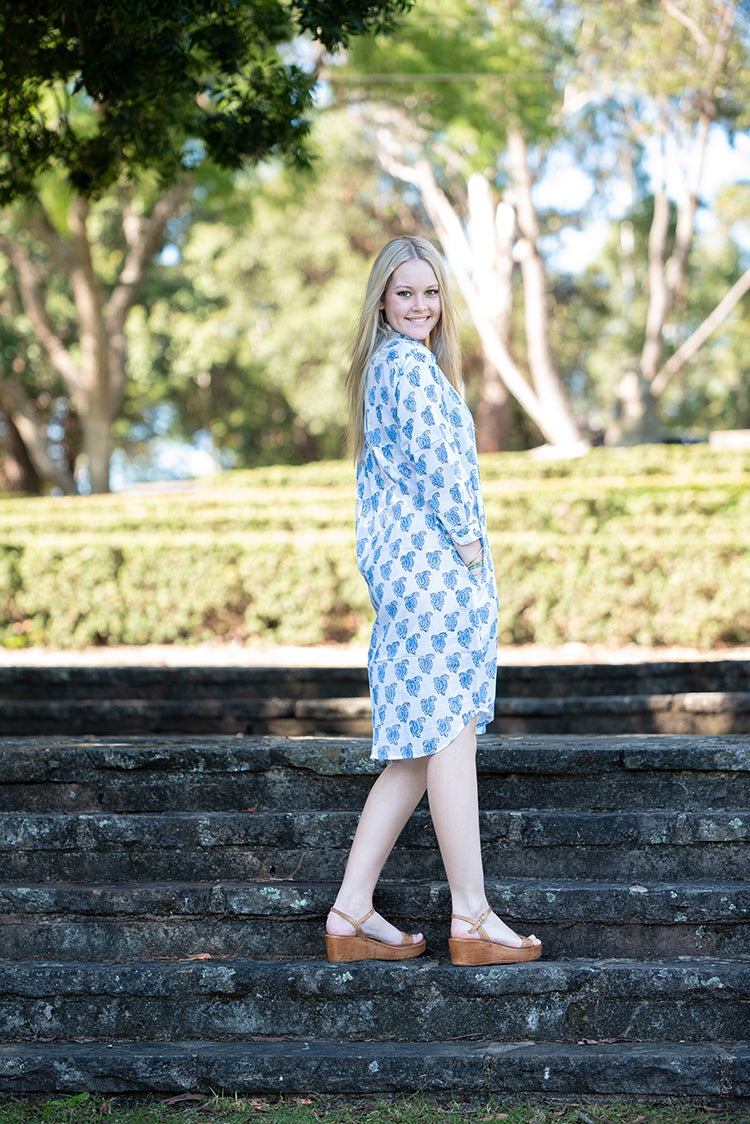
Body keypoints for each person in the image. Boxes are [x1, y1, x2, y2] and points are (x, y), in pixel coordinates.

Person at [325, 236, 542, 967]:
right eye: (405, 292)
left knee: (418, 754)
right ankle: (472, 916)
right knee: (450, 742)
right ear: (382, 301)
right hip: (436, 581)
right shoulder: (409, 370)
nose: (420, 305)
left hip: (406, 581)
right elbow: (448, 473)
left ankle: (350, 910)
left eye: (430, 292)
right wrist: (474, 555)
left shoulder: (387, 369)